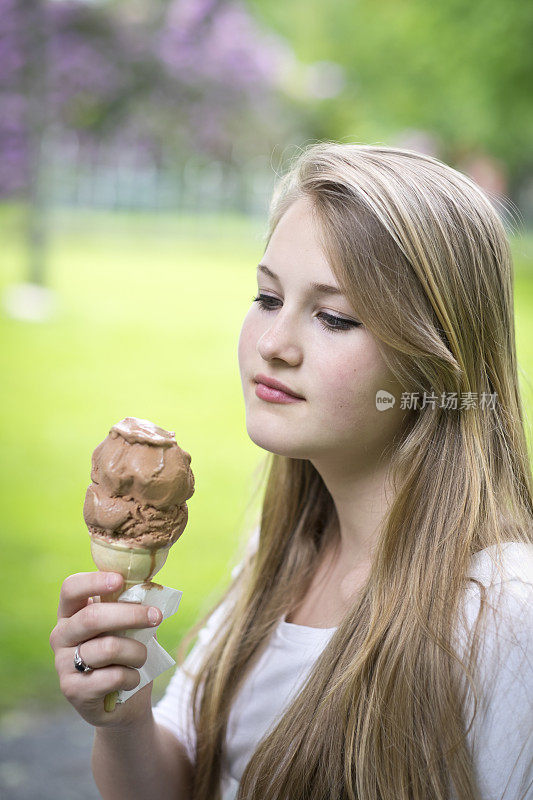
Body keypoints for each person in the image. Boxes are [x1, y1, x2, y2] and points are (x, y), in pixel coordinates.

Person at [50, 142, 533, 800]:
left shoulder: (505, 611)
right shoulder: (277, 553)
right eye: (267, 297)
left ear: (435, 359)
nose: (273, 344)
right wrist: (124, 719)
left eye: (333, 317)